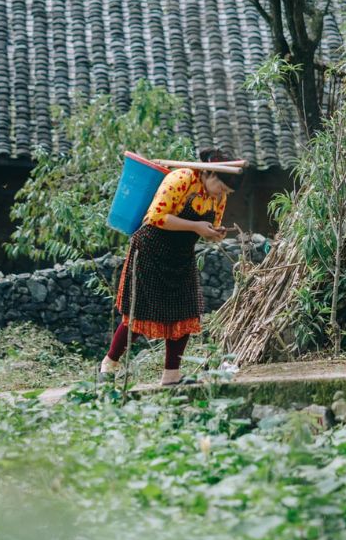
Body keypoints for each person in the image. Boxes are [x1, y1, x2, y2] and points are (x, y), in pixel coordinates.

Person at [99, 148, 241, 386]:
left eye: (227, 193)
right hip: (151, 249)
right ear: (210, 175)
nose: (222, 195)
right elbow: (155, 217)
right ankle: (109, 365)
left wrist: (215, 234)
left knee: (185, 312)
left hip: (181, 254)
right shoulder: (181, 179)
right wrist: (196, 227)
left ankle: (171, 375)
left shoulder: (217, 197)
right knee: (140, 311)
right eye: (223, 189)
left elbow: (208, 227)